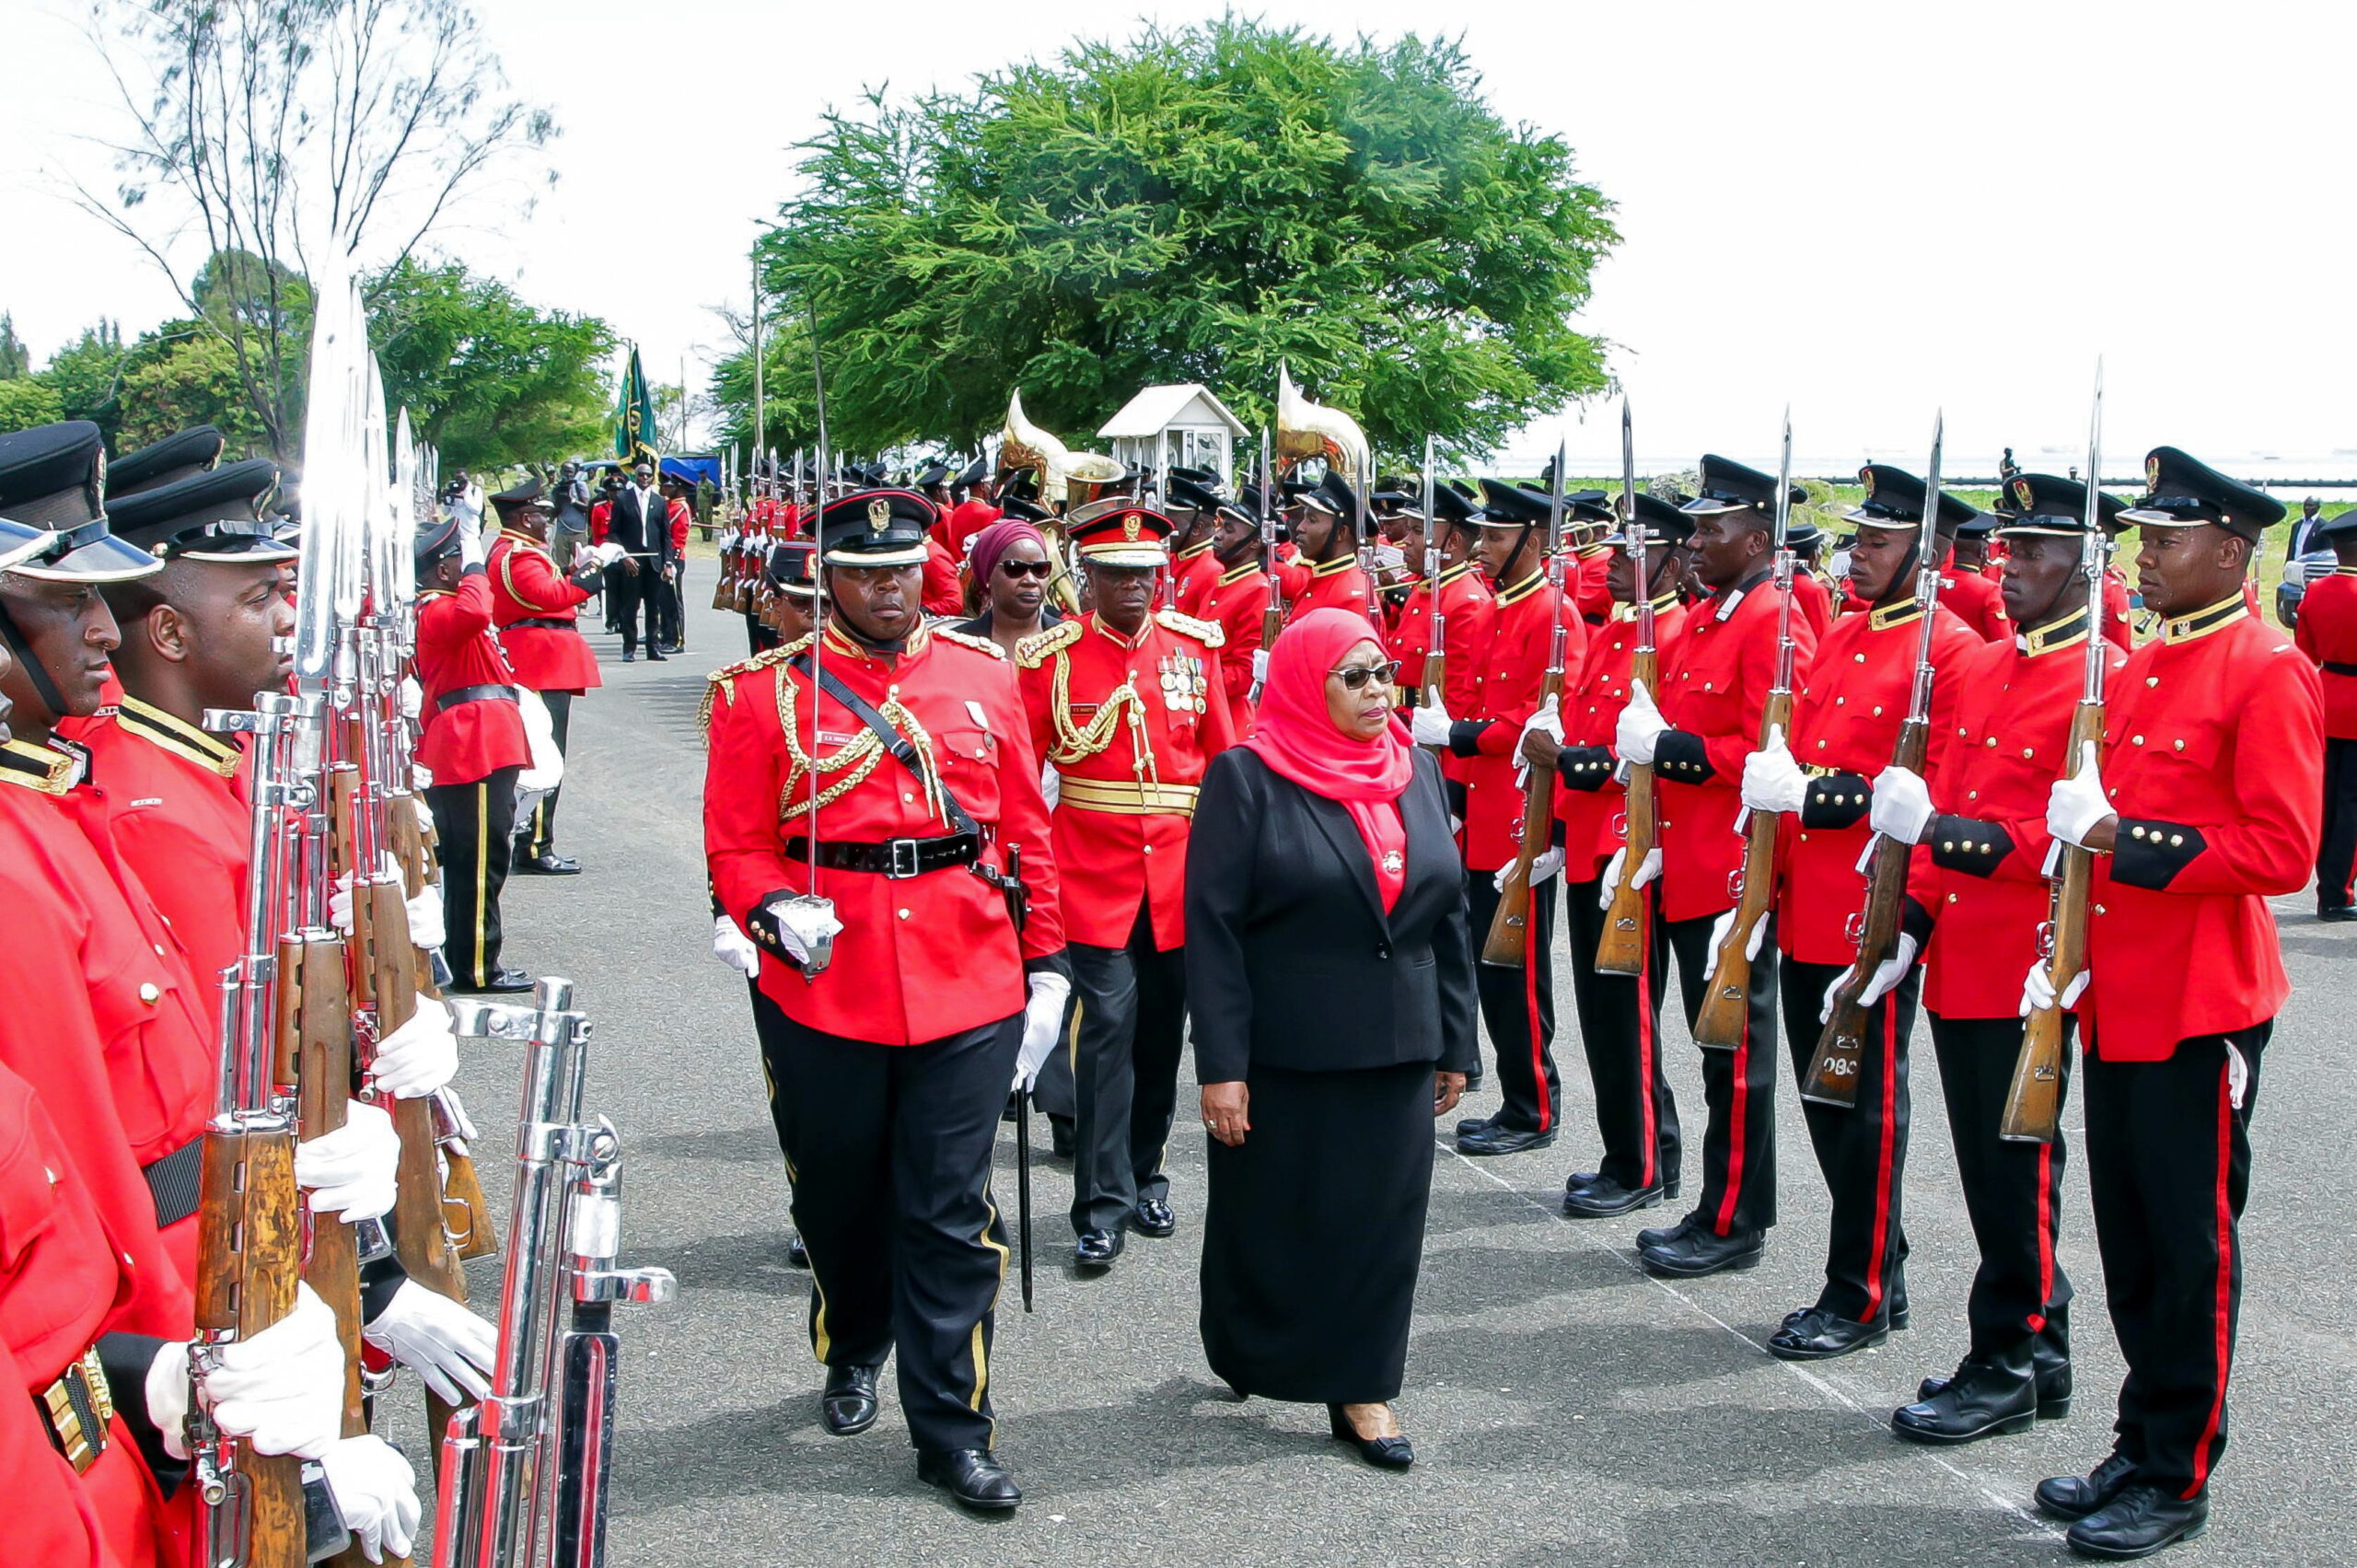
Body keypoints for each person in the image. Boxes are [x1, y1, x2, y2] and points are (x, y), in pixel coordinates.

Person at [702, 485, 1068, 1513]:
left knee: (950, 1210)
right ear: (827, 579)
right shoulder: (759, 692)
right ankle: (854, 1338)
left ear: (926, 571)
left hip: (967, 973)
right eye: (863, 573)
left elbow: (1024, 829)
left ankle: (954, 1431)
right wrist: (774, 905)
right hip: (828, 980)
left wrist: (1049, 967)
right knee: (838, 1195)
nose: (887, 589)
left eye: (902, 569)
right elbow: (735, 840)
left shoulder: (985, 676)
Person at [2026, 447, 2319, 1558]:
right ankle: (2139, 1434)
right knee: (2132, 1236)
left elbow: (2281, 847)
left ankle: (2179, 1467)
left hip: (2202, 998)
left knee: (2189, 1242)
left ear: (2233, 550)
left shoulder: (2263, 666)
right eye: (2144, 536)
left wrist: (2120, 838)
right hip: (2118, 989)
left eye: (2167, 537)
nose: (2144, 553)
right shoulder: (2139, 666)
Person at [1186, 609, 1477, 1468]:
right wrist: (1221, 1067)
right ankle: (1244, 1341)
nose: (1378, 690)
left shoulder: (1416, 769)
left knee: (1383, 1221)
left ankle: (1363, 1386)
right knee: (1273, 1216)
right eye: (1354, 676)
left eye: (1384, 671)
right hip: (1287, 1047)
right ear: (1308, 684)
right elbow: (1215, 929)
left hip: (1397, 1043)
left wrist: (1457, 1042)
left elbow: (1448, 914)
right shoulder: (1248, 777)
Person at [1873, 471, 2127, 1445]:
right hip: (1964, 957)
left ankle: (2008, 1355)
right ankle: (2043, 1353)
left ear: (2082, 563)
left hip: (2033, 957)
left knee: (2015, 1167)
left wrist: (1938, 826)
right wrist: (1909, 928)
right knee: (1989, 1164)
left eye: (2033, 551)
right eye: (2006, 547)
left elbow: (2059, 835)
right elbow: (1947, 808)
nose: (2006, 564)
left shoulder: (2096, 678)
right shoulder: (1982, 666)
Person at [1740, 463, 1980, 1361]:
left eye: (1879, 542)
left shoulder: (1948, 648)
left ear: (1931, 551)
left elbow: (1929, 788)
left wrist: (1814, 794)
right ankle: (1878, 1257)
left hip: (1874, 906)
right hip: (1810, 897)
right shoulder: (1843, 633)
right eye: (1856, 538)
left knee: (1866, 1101)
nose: (1857, 555)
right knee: (1824, 1094)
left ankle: (1862, 1289)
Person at [1014, 502, 1235, 1270]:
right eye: (1116, 574)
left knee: (1160, 1036)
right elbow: (1022, 778)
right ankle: (1099, 1204)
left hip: (1178, 877)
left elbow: (1224, 763)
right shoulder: (1052, 658)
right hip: (1091, 876)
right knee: (1104, 1036)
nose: (1134, 587)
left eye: (1145, 574)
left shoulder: (1193, 648)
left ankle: (1146, 1173)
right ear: (1090, 577)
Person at [1620, 454, 1818, 1278]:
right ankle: (1716, 1201)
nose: (1695, 540)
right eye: (1695, 525)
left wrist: (1671, 747)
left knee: (1736, 1054)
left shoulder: (1774, 620)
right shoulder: (1712, 617)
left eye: (1713, 527)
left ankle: (1735, 1216)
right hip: (1691, 860)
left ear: (1761, 536)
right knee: (1714, 1049)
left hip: (1738, 868)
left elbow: (1775, 757)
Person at [1523, 492, 1693, 1218]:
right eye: (1616, 549)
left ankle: (1644, 1161)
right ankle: (1626, 1150)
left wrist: (1564, 757)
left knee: (1630, 1015)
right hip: (1592, 843)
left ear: (1674, 559)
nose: (1615, 564)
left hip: (1633, 846)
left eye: (1636, 552)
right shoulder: (1614, 632)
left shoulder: (1673, 635)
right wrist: (1556, 828)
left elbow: (1642, 755)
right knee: (1602, 1012)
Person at [1407, 478, 1567, 1156]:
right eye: (1485, 534)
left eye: (1499, 536)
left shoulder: (1552, 614)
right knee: (1489, 962)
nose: (1484, 546)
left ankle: (1534, 1103)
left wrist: (1459, 736)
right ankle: (1515, 1097)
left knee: (1517, 968)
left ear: (1533, 540)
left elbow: (1534, 722)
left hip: (1525, 812)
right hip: (1487, 805)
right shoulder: (1507, 606)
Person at [413, 507, 533, 993]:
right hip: (471, 741)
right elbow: (476, 610)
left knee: (483, 856)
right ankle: (478, 965)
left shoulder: (445, 604)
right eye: (461, 561)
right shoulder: (439, 608)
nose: (470, 568)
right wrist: (477, 564)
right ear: (445, 569)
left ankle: (474, 958)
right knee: (479, 860)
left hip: (485, 734)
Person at [487, 479, 618, 876]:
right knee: (548, 757)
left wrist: (572, 569)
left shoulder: (514, 551)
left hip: (537, 652)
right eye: (542, 517)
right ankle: (535, 845)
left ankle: (532, 840)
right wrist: (596, 566)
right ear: (526, 519)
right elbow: (553, 597)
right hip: (539, 656)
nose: (548, 524)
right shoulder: (520, 555)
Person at [2293, 506, 2357, 919]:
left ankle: (2327, 884)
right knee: (2351, 806)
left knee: (2328, 799)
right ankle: (2338, 891)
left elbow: (2307, 650)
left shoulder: (2315, 592)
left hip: (2327, 696)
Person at [1277, 470, 1377, 626]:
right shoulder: (1321, 577)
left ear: (1340, 532)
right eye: (1304, 518)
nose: (1300, 528)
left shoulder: (1352, 600)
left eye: (1312, 520)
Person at [956, 517, 1064, 660]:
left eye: (1040, 569)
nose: (1030, 580)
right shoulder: (957, 645)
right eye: (1015, 568)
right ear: (987, 576)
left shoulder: (1071, 640)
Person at [605, 462, 672, 661]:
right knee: (630, 607)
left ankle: (653, 647)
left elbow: (665, 535)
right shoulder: (623, 499)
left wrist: (668, 563)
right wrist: (624, 556)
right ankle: (629, 647)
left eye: (648, 475)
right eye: (641, 475)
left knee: (654, 607)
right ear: (635, 476)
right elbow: (614, 532)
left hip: (653, 560)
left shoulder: (659, 501)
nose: (644, 478)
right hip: (632, 560)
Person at [658, 474, 695, 654]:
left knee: (673, 600)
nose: (665, 489)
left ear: (679, 489)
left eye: (670, 487)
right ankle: (666, 636)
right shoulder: (670, 505)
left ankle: (677, 639)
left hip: (673, 557)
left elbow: (678, 539)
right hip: (665, 556)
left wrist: (670, 560)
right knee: (664, 600)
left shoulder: (680, 508)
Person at [550, 459, 593, 563]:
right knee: (561, 565)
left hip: (578, 532)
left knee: (583, 564)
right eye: (565, 471)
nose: (567, 475)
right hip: (562, 533)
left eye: (570, 472)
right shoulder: (556, 489)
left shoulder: (579, 485)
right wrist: (558, 501)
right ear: (561, 472)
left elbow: (587, 507)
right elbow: (553, 515)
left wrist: (572, 500)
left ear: (574, 473)